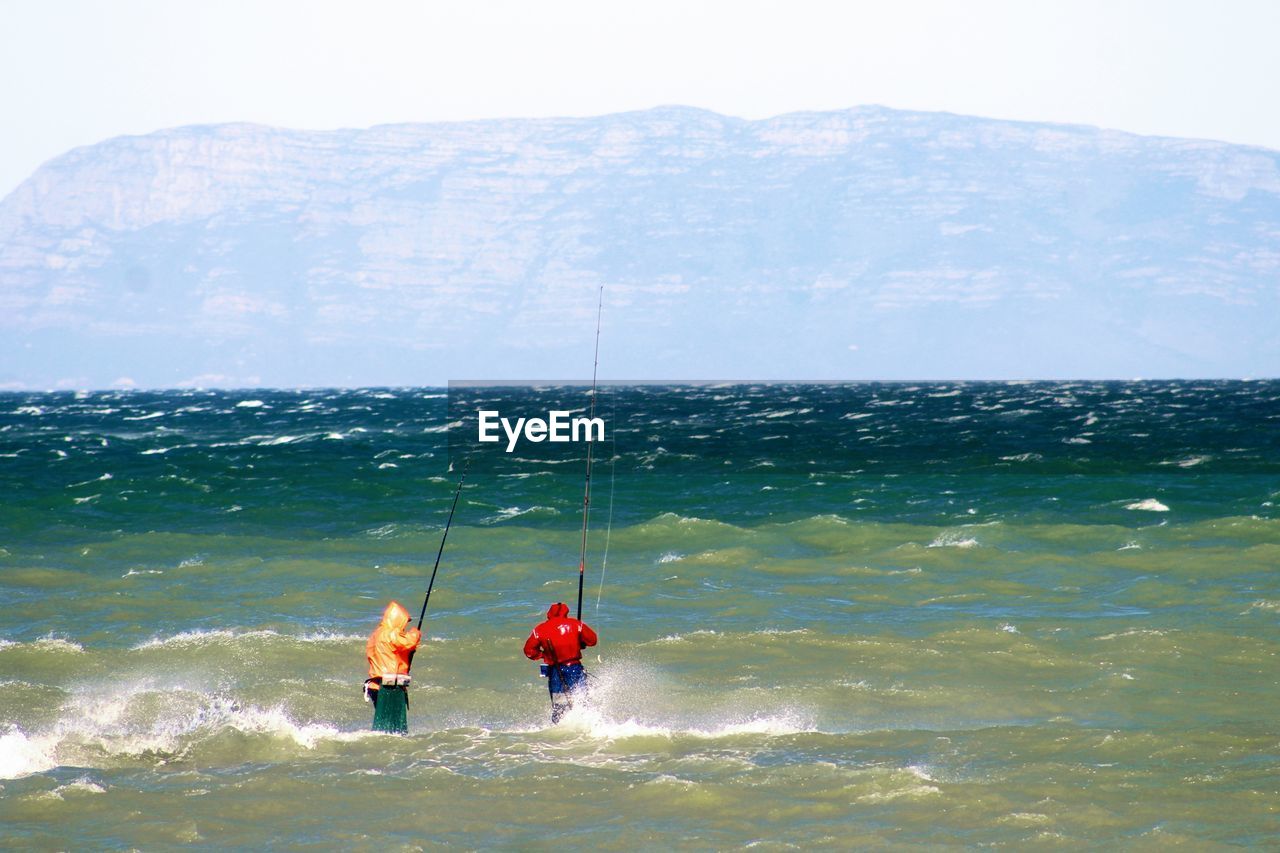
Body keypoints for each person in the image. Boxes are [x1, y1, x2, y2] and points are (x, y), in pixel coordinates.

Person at [523, 601, 598, 723]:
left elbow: (529, 651)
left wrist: (543, 655)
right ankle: (586, 725)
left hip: (555, 671)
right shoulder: (576, 624)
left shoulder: (540, 629)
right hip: (575, 668)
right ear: (566, 612)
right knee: (582, 700)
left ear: (549, 614)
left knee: (559, 706)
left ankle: (559, 727)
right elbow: (592, 640)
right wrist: (579, 641)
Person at [365, 600, 421, 734]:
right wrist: (416, 632)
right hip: (388, 687)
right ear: (397, 620)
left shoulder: (376, 634)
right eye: (404, 623)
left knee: (385, 724)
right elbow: (409, 642)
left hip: (376, 686)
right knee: (393, 728)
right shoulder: (390, 633)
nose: (405, 627)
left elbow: (394, 651)